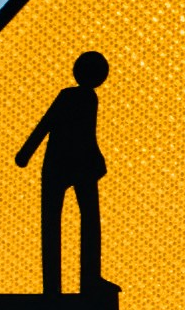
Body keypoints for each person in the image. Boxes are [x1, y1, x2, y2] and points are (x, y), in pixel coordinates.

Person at [11, 51, 111, 294]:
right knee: (81, 220)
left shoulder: (79, 96)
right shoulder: (83, 97)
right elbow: (60, 126)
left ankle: (80, 281)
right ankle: (65, 284)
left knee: (78, 221)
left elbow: (47, 124)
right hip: (74, 164)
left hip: (64, 164)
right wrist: (25, 153)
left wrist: (25, 153)